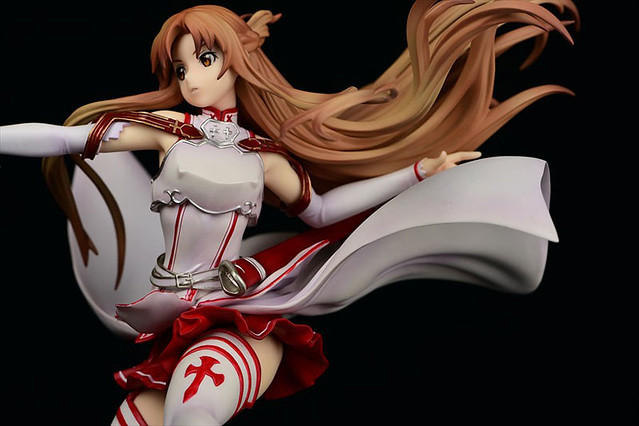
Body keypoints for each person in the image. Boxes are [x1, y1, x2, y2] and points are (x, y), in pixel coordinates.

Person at [0, 1, 578, 424]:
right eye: (181, 69)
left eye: (204, 59)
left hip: (237, 317)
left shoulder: (264, 158)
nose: (191, 78)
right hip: (172, 315)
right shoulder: (168, 131)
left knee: (192, 415)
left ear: (235, 64)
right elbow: (63, 138)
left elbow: (322, 212)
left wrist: (417, 172)